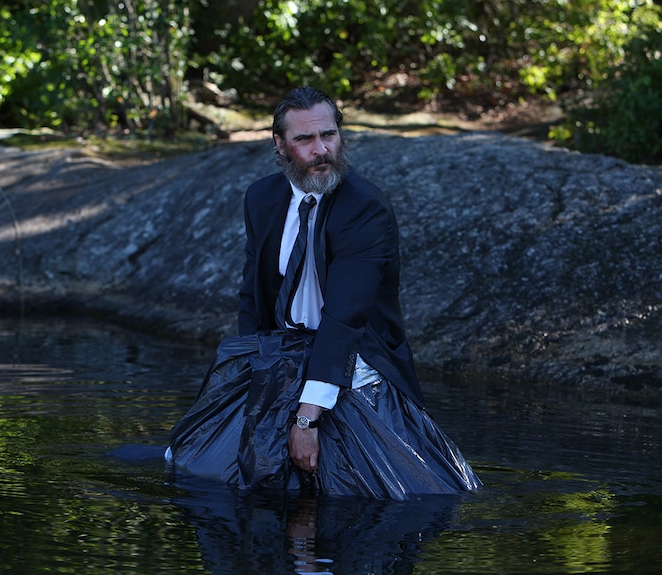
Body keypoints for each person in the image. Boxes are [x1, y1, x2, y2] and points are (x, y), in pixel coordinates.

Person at [166, 86, 480, 499]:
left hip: (355, 356)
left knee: (390, 495)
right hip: (284, 348)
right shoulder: (261, 197)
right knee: (195, 461)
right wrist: (252, 374)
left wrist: (306, 419)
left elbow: (345, 317)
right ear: (279, 145)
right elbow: (252, 295)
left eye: (328, 135)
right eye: (304, 140)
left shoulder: (364, 208)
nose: (321, 150)